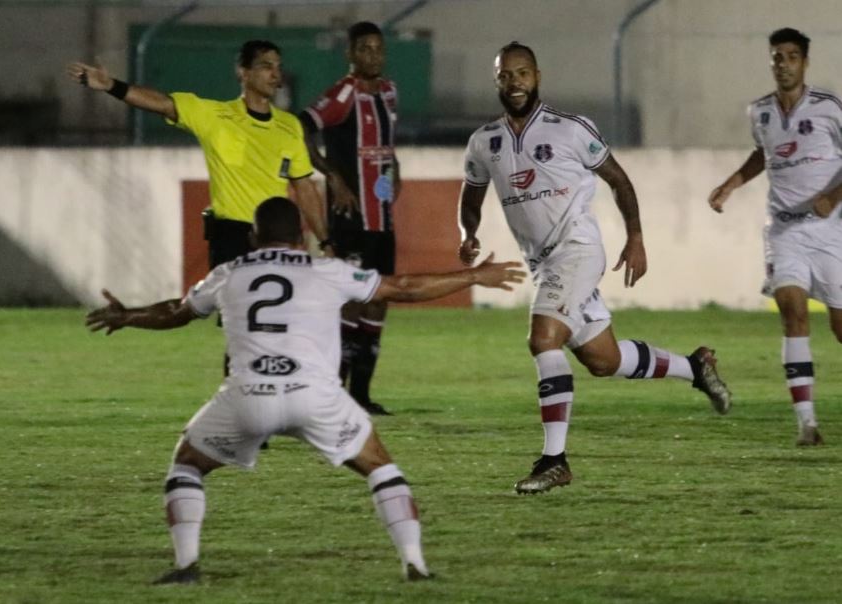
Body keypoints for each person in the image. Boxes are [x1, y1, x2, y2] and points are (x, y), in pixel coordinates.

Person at [85, 196, 526, 583]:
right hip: (315, 396)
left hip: (247, 397)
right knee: (380, 467)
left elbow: (177, 312)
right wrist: (472, 277)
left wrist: (128, 316)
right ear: (301, 235)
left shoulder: (228, 272)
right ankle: (415, 566)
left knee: (186, 466)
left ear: (254, 236)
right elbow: (403, 288)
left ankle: (186, 566)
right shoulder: (329, 269)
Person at [458, 42, 732, 495]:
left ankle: (554, 460)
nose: (515, 82)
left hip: (579, 250)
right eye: (506, 75)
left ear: (538, 76)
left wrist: (636, 237)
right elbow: (470, 199)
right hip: (544, 264)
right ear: (497, 81)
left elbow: (619, 180)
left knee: (543, 338)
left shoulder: (570, 129)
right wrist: (467, 234)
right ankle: (695, 367)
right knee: (603, 360)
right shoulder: (484, 142)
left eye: (523, 73)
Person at [66, 39, 331, 269]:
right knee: (235, 319)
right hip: (232, 234)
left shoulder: (289, 126)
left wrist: (325, 241)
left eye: (278, 67)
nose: (276, 74)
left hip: (276, 236)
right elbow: (163, 104)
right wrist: (112, 85)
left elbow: (304, 187)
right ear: (243, 73)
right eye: (266, 66)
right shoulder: (215, 116)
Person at [708, 28, 842, 446]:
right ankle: (806, 423)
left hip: (830, 230)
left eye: (791, 56)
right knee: (793, 311)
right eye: (776, 57)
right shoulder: (760, 112)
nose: (783, 64)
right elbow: (762, 155)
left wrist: (833, 196)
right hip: (783, 229)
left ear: (804, 62)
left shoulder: (829, 109)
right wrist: (731, 183)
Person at [300, 21, 400, 415]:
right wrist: (333, 176)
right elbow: (301, 129)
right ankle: (332, 393)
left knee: (379, 303)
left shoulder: (390, 91)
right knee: (350, 302)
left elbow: (386, 147)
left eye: (378, 49)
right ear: (350, 54)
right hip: (350, 218)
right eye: (365, 49)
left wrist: (396, 171)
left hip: (383, 219)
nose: (373, 56)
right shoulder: (343, 94)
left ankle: (361, 394)